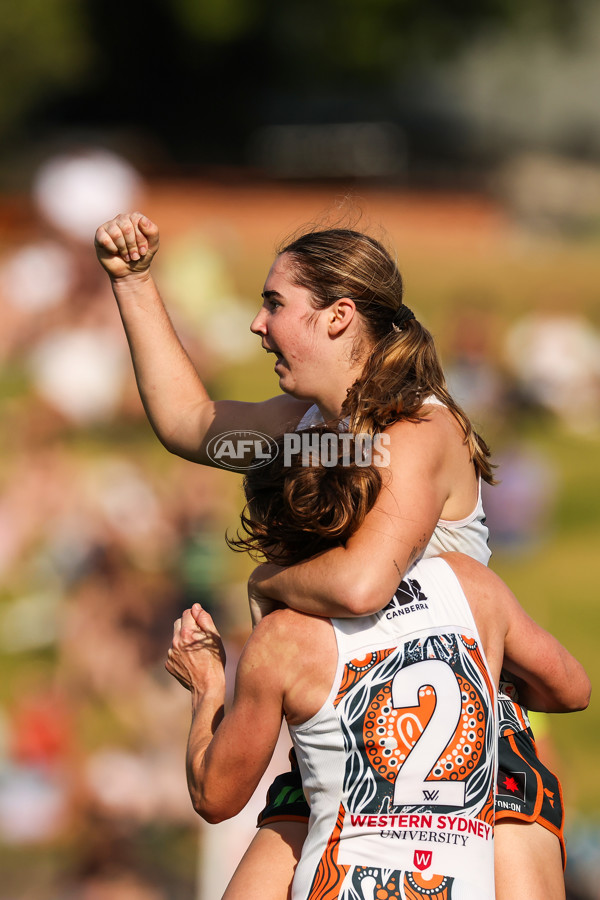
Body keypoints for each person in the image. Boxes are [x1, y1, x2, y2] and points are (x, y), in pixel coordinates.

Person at [95, 212, 566, 898]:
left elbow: (361, 585)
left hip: (458, 751)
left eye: (275, 304)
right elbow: (188, 423)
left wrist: (269, 582)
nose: (258, 325)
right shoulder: (309, 431)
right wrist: (134, 282)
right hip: (336, 728)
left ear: (339, 316)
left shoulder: (419, 428)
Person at [165, 433, 591, 900]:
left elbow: (215, 796)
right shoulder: (469, 583)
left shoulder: (282, 641)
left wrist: (206, 686)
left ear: (269, 533)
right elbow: (572, 691)